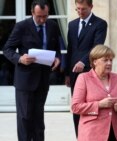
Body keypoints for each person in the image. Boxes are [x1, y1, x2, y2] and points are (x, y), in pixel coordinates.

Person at [3, 0, 61, 141]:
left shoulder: (52, 26)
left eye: (45, 16)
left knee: (38, 118)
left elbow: (56, 48)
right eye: (39, 16)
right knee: (25, 118)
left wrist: (58, 58)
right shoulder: (21, 27)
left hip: (43, 79)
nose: (42, 20)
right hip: (25, 80)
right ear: (32, 13)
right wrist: (19, 58)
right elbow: (7, 49)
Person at [65, 0, 108, 137]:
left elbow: (96, 47)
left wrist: (83, 62)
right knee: (77, 106)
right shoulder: (72, 25)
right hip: (74, 74)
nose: (80, 12)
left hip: (90, 72)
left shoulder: (100, 24)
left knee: (90, 106)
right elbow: (70, 50)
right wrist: (67, 74)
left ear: (91, 7)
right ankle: (80, 136)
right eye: (78, 9)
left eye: (83, 9)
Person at [71, 45, 117, 141]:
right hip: (92, 133)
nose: (109, 63)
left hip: (116, 133)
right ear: (94, 61)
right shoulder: (83, 78)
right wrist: (99, 105)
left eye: (111, 60)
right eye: (105, 60)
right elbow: (75, 107)